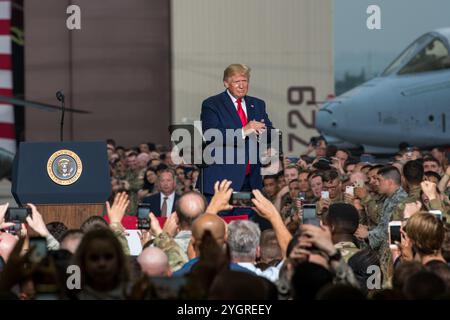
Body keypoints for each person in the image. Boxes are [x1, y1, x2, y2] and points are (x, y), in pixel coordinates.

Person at [199, 64, 273, 196]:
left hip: (251, 182)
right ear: (226, 83)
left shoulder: (257, 104)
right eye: (236, 82)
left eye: (244, 81)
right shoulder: (212, 104)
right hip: (222, 182)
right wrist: (245, 130)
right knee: (220, 218)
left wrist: (262, 131)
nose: (241, 85)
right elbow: (212, 135)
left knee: (247, 217)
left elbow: (270, 133)